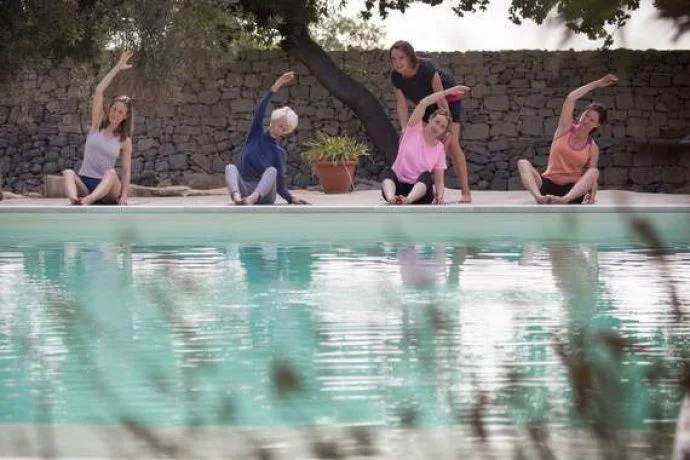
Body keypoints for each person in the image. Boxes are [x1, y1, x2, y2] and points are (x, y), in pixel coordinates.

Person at [390, 40, 471, 203]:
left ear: (410, 57)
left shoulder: (426, 67)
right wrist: (405, 129)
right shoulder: (396, 77)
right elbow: (402, 106)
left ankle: (466, 192)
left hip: (447, 98)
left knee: (452, 143)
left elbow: (440, 97)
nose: (397, 62)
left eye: (401, 58)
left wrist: (446, 129)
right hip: (425, 103)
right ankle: (427, 187)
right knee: (422, 141)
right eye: (394, 59)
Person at [517, 74, 619, 205]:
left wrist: (591, 196)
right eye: (586, 115)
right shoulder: (565, 128)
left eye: (592, 120)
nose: (586, 120)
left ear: (597, 125)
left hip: (571, 191)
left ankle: (563, 200)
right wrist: (597, 83)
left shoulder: (592, 147)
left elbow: (591, 177)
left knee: (594, 171)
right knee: (523, 163)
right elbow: (571, 98)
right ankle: (538, 197)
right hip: (547, 185)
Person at [225, 71, 309, 206]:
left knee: (272, 171)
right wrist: (278, 84)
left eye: (285, 129)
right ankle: (237, 198)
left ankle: (251, 199)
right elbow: (260, 108)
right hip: (244, 189)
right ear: (273, 121)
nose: (281, 130)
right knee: (230, 168)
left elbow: (280, 185)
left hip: (264, 195)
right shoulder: (255, 135)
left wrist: (291, 199)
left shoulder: (279, 152)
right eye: (280, 125)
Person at [62, 51, 134, 205]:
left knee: (111, 172)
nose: (115, 113)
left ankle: (88, 200)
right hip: (86, 183)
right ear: (110, 109)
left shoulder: (125, 140)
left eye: (120, 112)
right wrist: (117, 68)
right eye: (114, 109)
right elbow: (99, 91)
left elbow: (126, 171)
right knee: (68, 172)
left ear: (125, 117)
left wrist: (124, 196)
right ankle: (75, 200)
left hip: (107, 187)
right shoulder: (96, 125)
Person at [381, 85, 469, 205]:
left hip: (419, 194)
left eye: (442, 127)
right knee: (388, 172)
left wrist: (441, 196)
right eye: (437, 122)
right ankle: (392, 199)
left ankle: (407, 200)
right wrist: (448, 92)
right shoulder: (412, 129)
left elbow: (439, 179)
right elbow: (423, 103)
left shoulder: (439, 148)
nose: (438, 127)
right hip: (398, 187)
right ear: (430, 119)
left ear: (444, 131)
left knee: (427, 176)